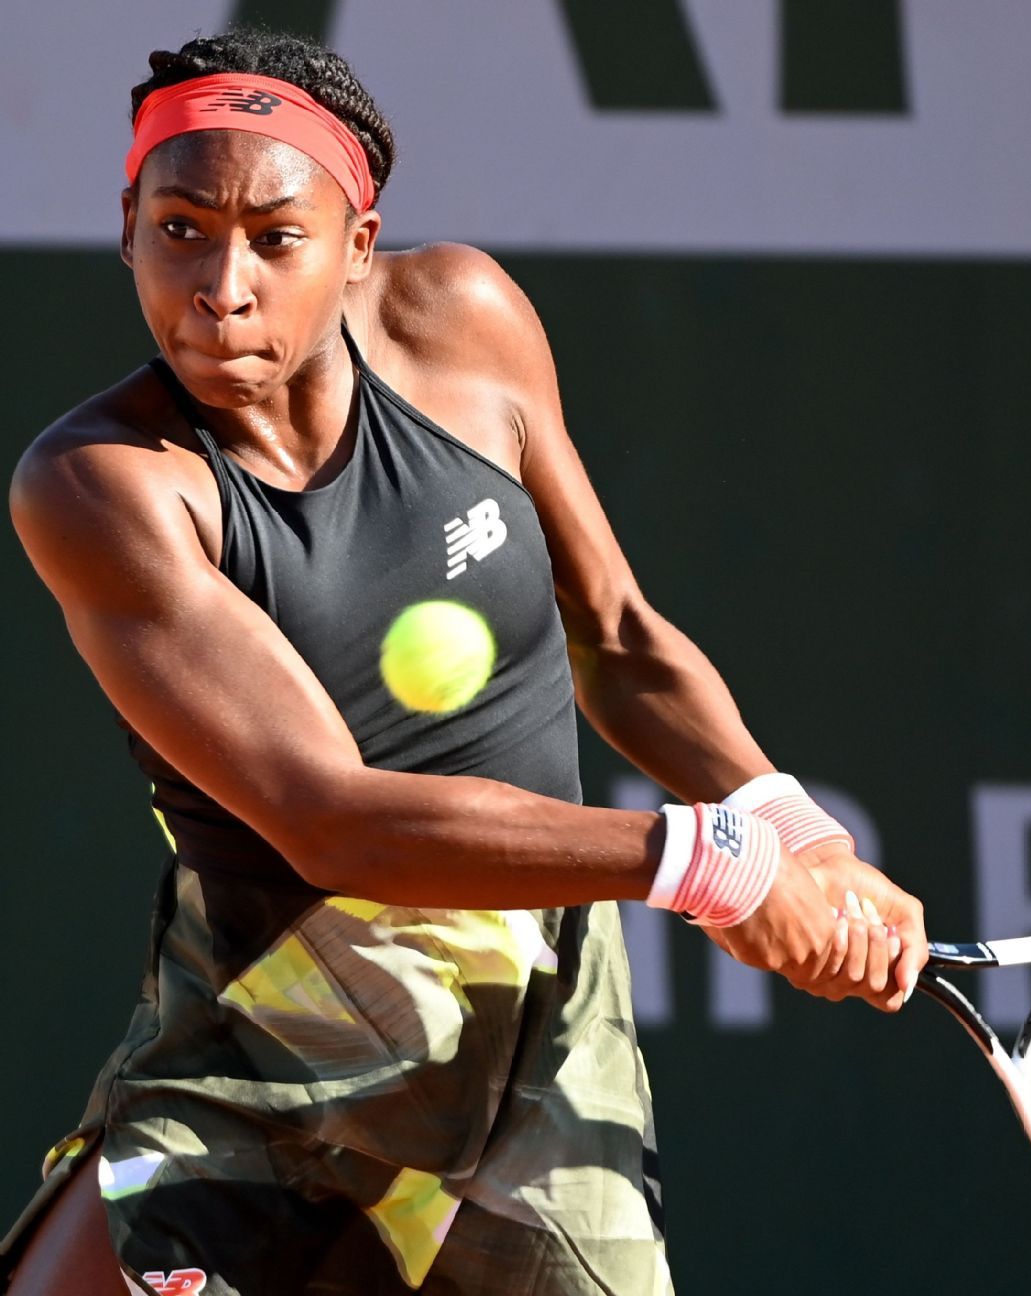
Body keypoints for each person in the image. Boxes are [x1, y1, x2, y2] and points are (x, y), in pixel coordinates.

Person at [2, 29, 926, 1296]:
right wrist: (712, 863)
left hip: (535, 1035)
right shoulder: (100, 485)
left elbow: (618, 633)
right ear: (127, 226)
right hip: (272, 1033)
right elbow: (335, 823)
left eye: (277, 238)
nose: (222, 284)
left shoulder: (464, 326)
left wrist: (785, 819)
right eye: (180, 230)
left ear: (358, 245)